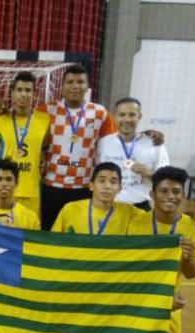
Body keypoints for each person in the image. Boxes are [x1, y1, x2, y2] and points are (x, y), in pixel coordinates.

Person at [128, 166, 195, 333]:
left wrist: (187, 259)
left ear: (183, 194)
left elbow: (192, 273)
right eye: (163, 191)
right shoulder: (135, 220)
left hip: (171, 299)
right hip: (137, 295)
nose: (170, 196)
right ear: (152, 194)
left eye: (176, 191)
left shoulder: (192, 226)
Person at [38, 64, 118, 230]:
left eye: (80, 82)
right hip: (52, 186)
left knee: (79, 232)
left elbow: (118, 141)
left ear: (88, 86)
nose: (75, 86)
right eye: (70, 82)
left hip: (83, 187)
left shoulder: (100, 113)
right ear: (62, 87)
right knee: (49, 232)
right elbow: (22, 126)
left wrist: (145, 135)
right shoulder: (46, 110)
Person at [0, 72, 50, 217]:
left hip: (32, 192)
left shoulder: (45, 121)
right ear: (12, 93)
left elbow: (45, 147)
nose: (24, 94)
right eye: (19, 90)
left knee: (29, 237)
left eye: (28, 90)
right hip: (5, 192)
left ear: (34, 94)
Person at [96, 97, 169, 210]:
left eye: (132, 115)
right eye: (122, 115)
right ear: (115, 116)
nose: (127, 119)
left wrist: (150, 174)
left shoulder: (154, 143)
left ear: (139, 116)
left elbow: (167, 180)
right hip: (108, 205)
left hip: (140, 206)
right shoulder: (104, 143)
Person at [51, 162, 137, 235]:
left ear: (119, 189)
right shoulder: (70, 209)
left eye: (113, 182)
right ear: (91, 185)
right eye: (102, 181)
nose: (107, 187)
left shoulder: (129, 213)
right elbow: (53, 242)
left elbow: (150, 219)